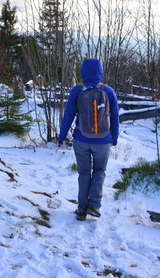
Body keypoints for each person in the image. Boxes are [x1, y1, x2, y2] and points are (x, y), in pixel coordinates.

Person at [58, 58, 119, 221]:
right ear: (100, 72)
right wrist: (115, 137)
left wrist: (62, 136)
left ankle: (82, 210)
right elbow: (115, 117)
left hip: (81, 139)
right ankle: (94, 205)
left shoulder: (77, 90)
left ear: (82, 72)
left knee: (84, 173)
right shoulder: (109, 91)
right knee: (99, 171)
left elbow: (69, 115)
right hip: (103, 140)